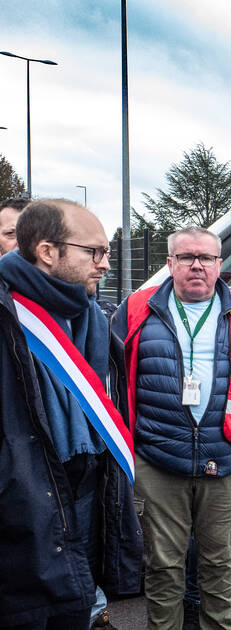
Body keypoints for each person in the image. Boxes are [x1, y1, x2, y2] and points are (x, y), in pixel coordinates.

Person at [112, 226, 231, 630]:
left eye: (206, 258)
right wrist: (128, 451)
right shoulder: (136, 309)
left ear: (221, 265)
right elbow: (110, 384)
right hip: (156, 462)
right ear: (170, 263)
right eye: (186, 257)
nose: (197, 266)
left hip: (229, 460)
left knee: (220, 565)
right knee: (163, 567)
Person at [0, 200, 140, 629]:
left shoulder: (95, 318)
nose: (105, 265)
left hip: (85, 494)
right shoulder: (8, 317)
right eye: (93, 252)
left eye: (107, 253)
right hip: (21, 510)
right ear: (47, 252)